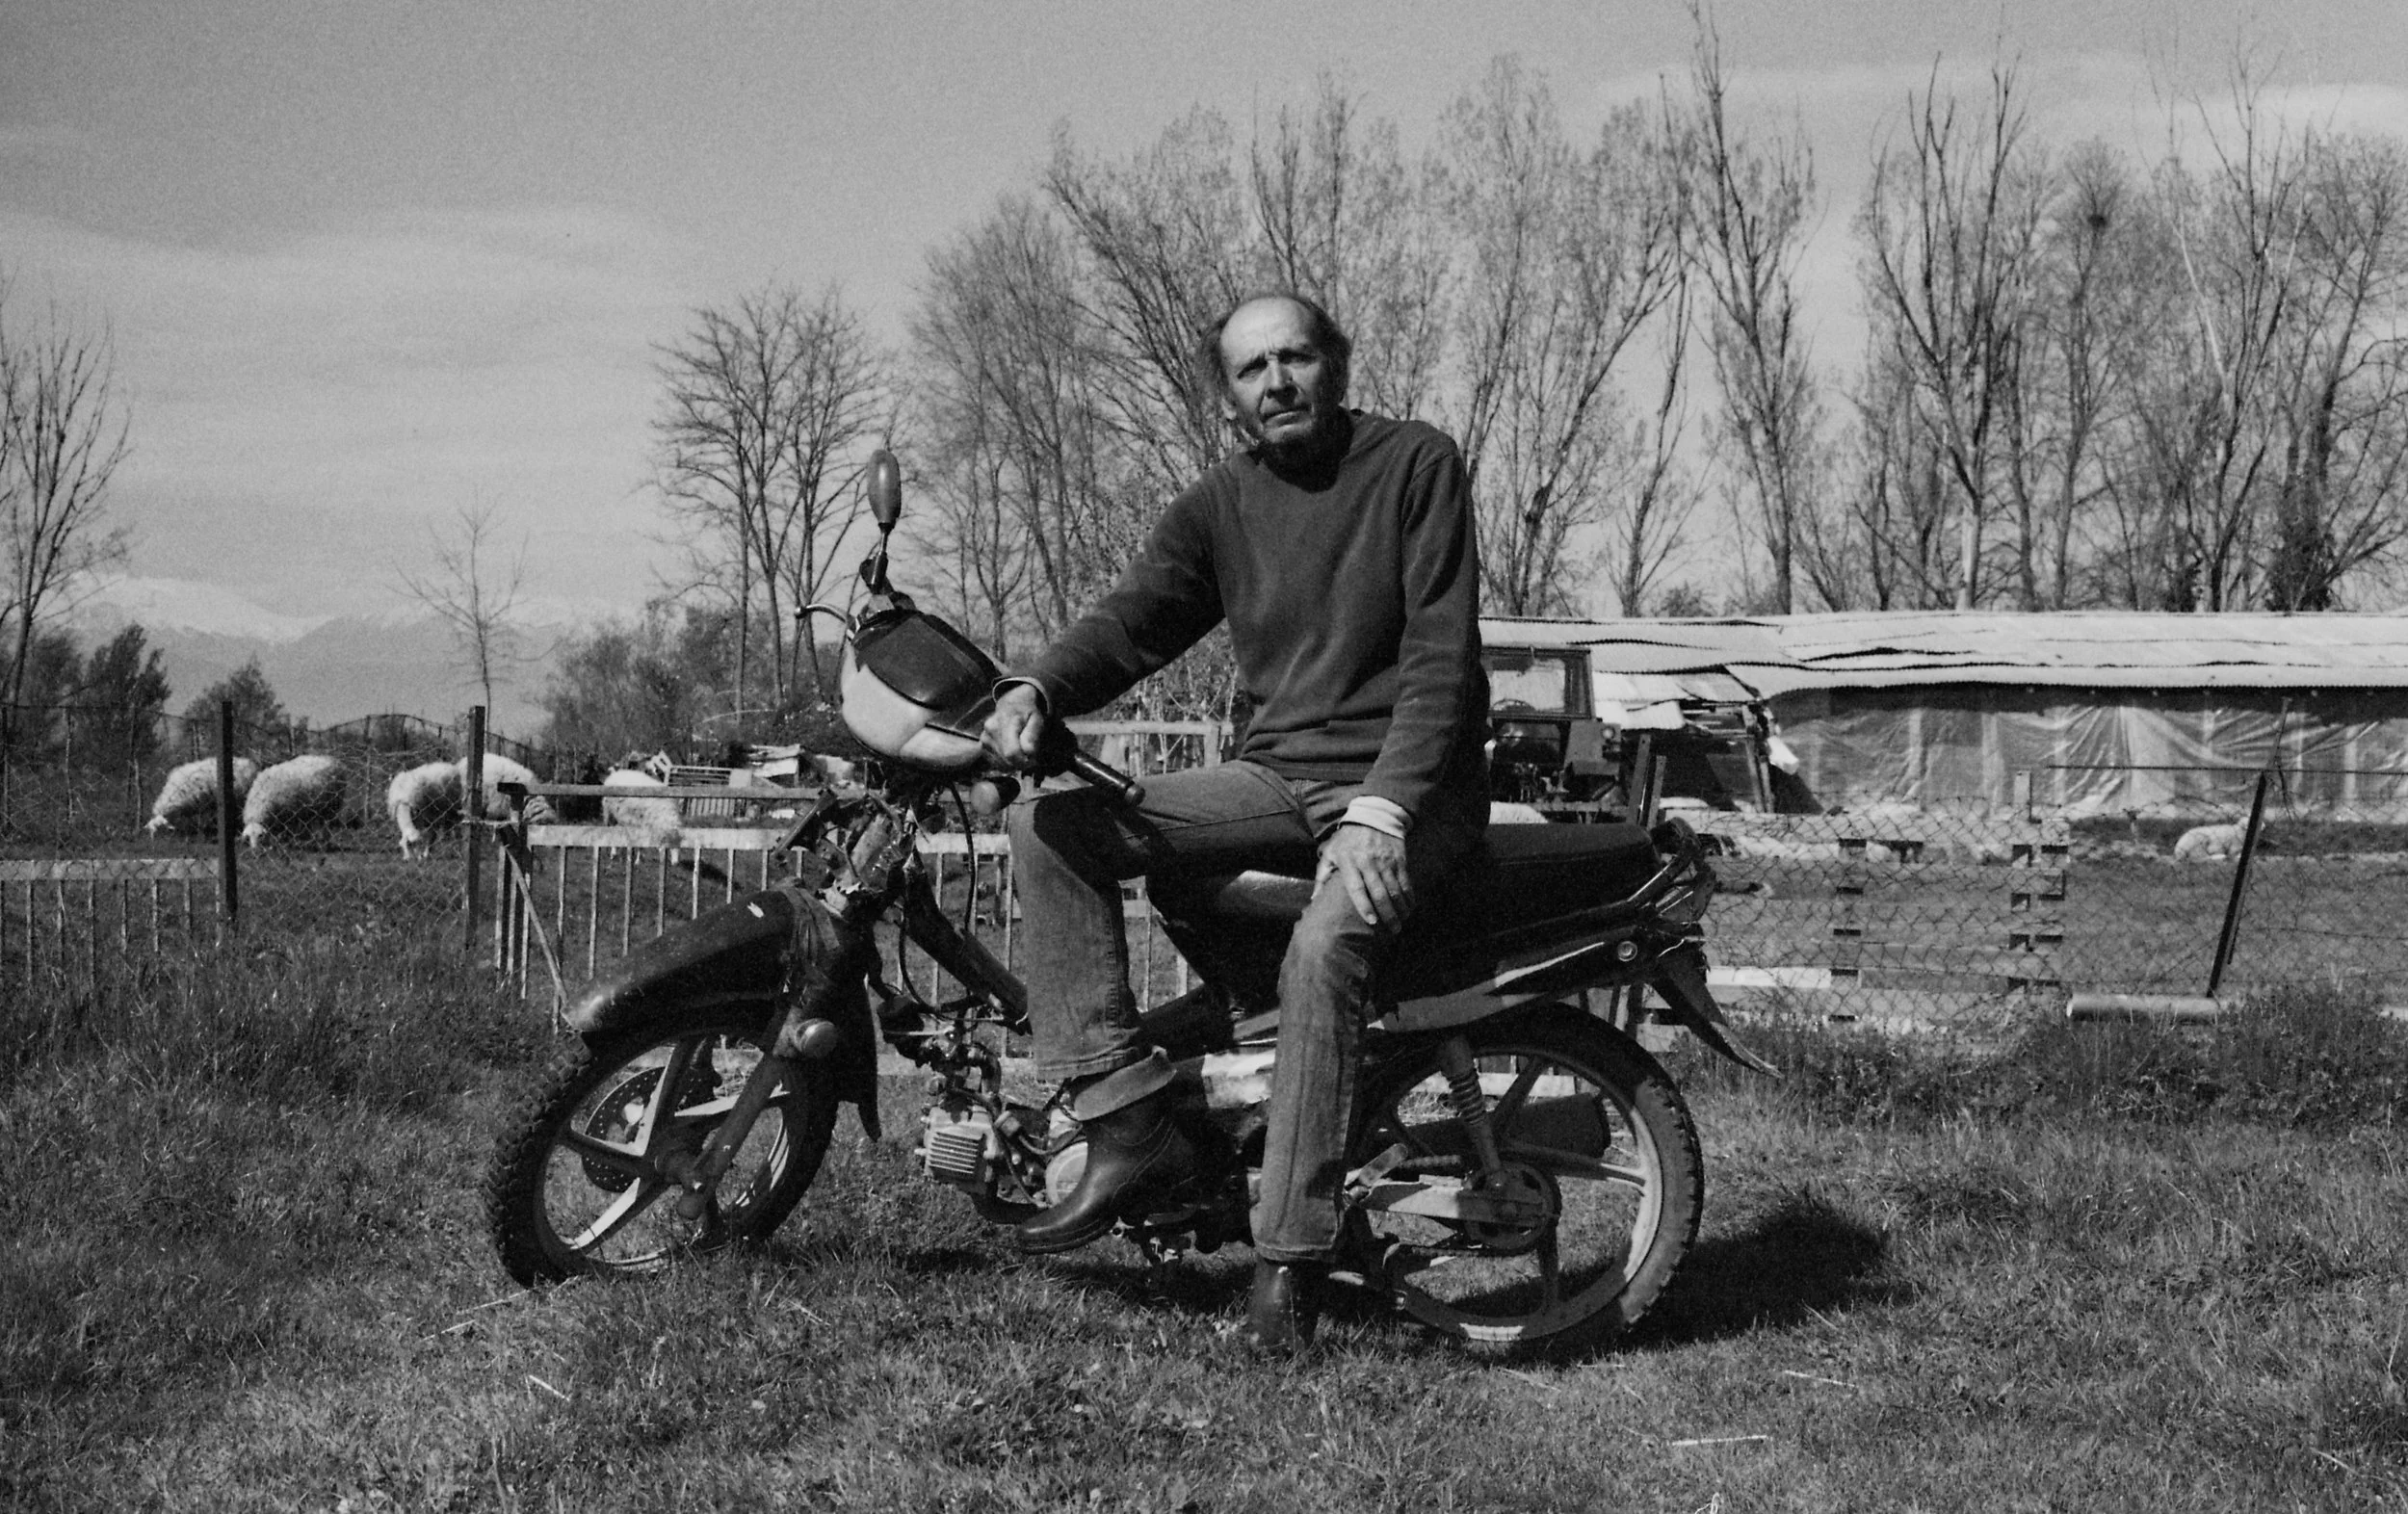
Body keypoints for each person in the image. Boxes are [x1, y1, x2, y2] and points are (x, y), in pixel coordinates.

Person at [982, 290, 1490, 1354]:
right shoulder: (1222, 502)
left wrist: (1381, 814)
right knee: (1053, 824)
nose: (1278, 383)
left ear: (1336, 366)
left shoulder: (1415, 465)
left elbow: (1442, 661)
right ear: (1230, 400)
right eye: (1253, 371)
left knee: (1322, 954)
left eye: (1295, 359)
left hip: (1411, 790)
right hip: (1273, 777)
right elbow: (1134, 618)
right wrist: (1037, 687)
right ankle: (1125, 1117)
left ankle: (1290, 1261)